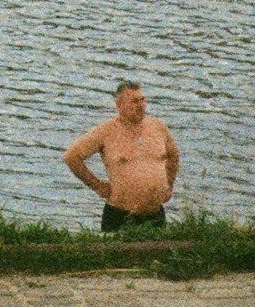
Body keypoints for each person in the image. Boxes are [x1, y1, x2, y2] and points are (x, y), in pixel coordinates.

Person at [64, 81, 178, 232]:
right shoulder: (105, 132)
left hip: (155, 213)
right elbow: (72, 157)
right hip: (121, 214)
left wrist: (168, 185)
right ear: (119, 105)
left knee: (159, 255)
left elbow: (173, 156)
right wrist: (98, 186)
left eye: (143, 100)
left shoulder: (158, 127)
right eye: (134, 101)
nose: (141, 105)